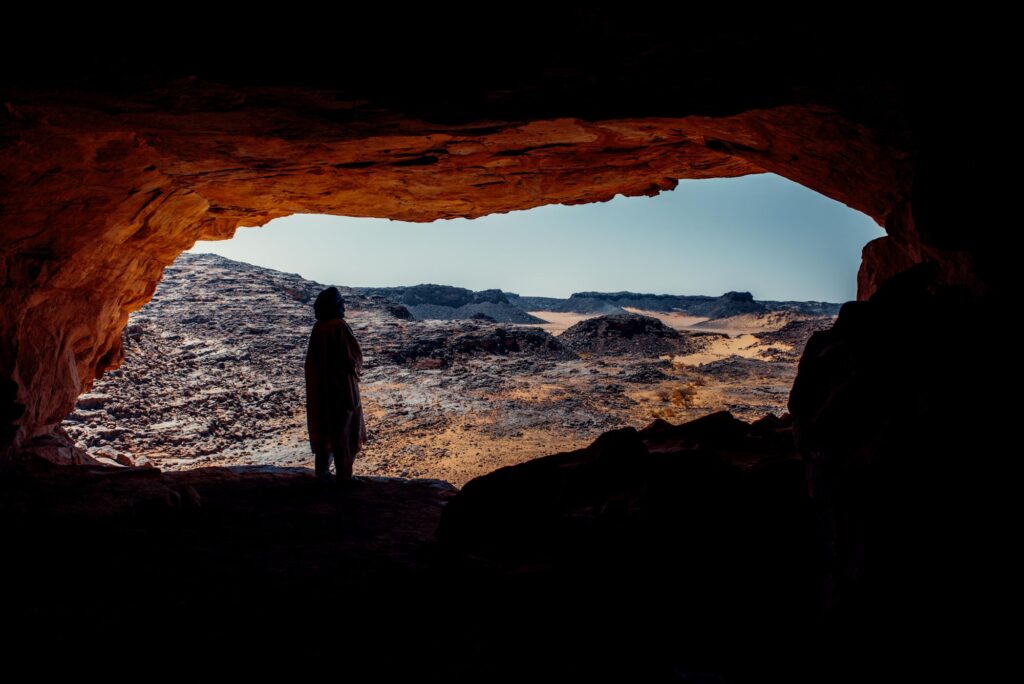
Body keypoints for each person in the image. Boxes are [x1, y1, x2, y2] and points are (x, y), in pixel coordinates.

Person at [304, 286, 366, 485]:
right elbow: (352, 357)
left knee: (326, 429)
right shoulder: (338, 326)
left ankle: (322, 472)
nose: (344, 309)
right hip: (343, 388)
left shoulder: (318, 327)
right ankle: (344, 476)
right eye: (341, 304)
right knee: (345, 431)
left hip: (323, 389)